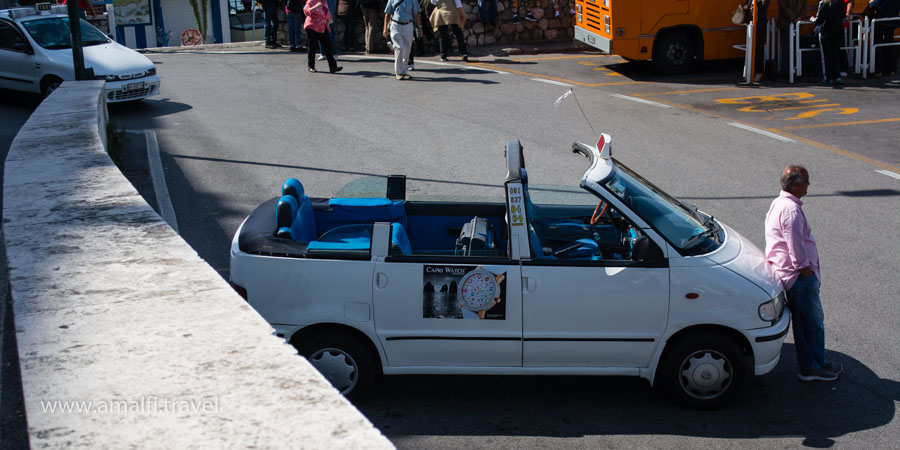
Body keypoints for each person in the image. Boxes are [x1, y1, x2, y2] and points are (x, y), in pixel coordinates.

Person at [765, 166, 842, 382]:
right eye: (806, 181)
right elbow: (795, 247)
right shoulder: (790, 210)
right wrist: (806, 271)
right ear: (797, 185)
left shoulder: (780, 203)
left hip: (792, 276)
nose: (809, 185)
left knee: (802, 323)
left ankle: (811, 364)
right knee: (813, 323)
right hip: (799, 277)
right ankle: (813, 366)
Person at [383, 0, 423, 80]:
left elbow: (416, 14)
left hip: (408, 25)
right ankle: (398, 72)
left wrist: (419, 27)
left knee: (407, 49)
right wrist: (385, 28)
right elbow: (387, 14)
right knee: (399, 48)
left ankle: (404, 71)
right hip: (396, 25)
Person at [812, 0, 846, 85]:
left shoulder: (823, 3)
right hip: (837, 31)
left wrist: (812, 19)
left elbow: (819, 19)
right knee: (836, 55)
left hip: (825, 32)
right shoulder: (839, 2)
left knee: (826, 56)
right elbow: (842, 16)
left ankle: (828, 78)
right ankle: (837, 76)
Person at [305, 0, 343, 72]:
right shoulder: (311, 1)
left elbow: (327, 13)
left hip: (322, 26)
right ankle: (311, 66)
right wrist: (315, 6)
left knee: (328, 47)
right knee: (312, 47)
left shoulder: (324, 2)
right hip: (312, 27)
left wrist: (328, 21)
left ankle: (333, 67)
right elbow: (306, 11)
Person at [866, 0, 900, 77]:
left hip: (880, 21)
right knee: (889, 44)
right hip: (892, 21)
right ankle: (890, 69)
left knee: (877, 45)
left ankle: (877, 70)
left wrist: (871, 2)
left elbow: (873, 5)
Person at [776, 0, 807, 77]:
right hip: (786, 23)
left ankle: (795, 70)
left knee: (796, 47)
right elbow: (783, 6)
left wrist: (800, 17)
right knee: (787, 48)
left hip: (797, 24)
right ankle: (787, 71)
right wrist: (794, 18)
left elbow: (804, 7)